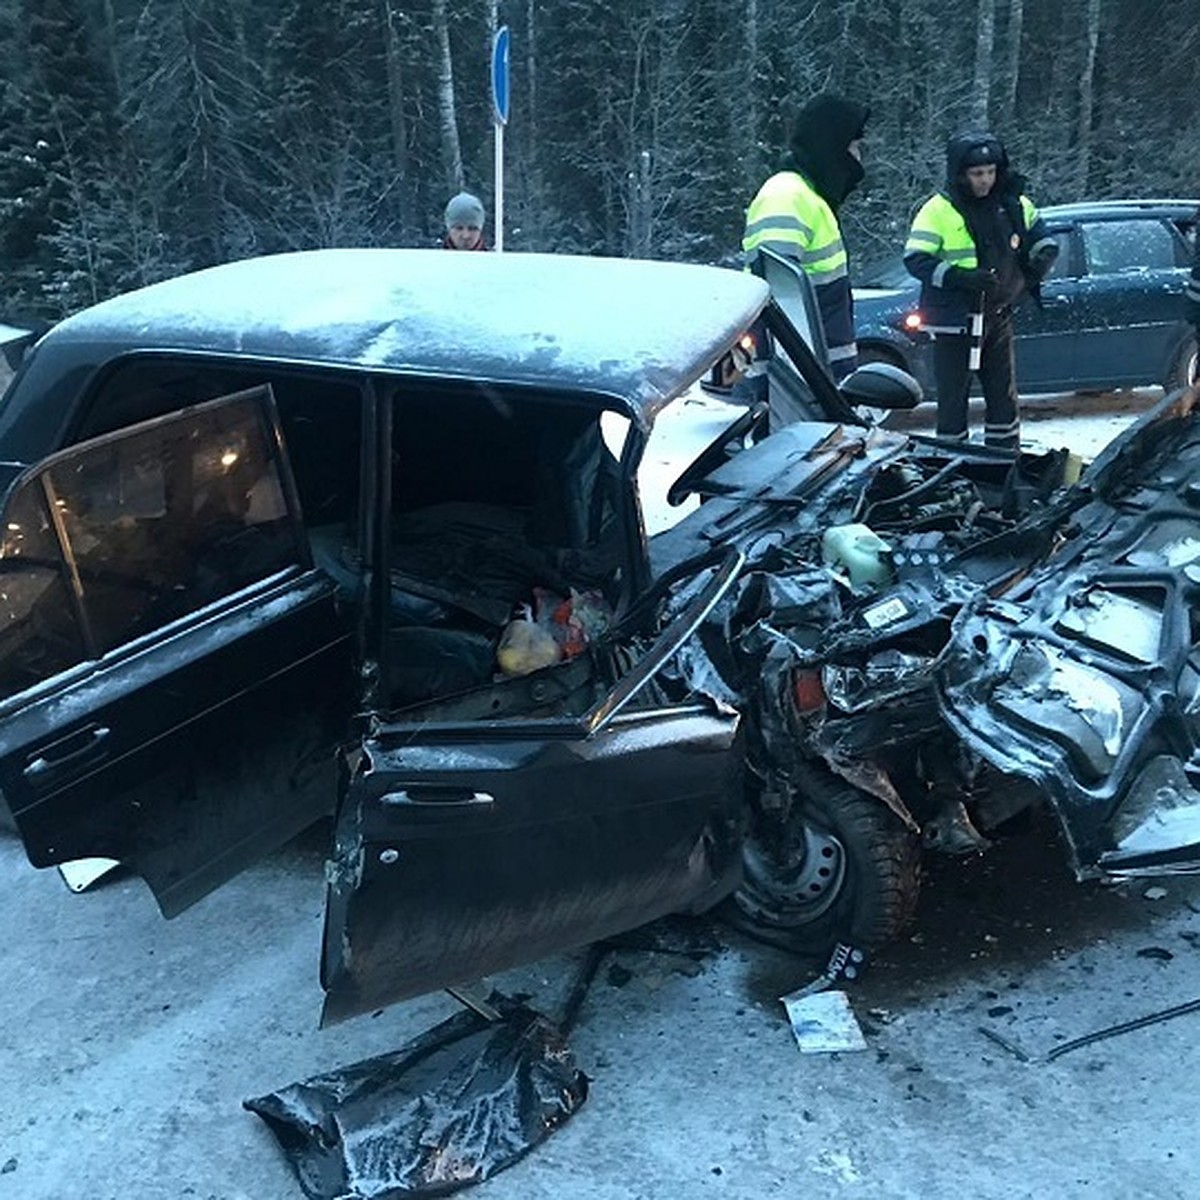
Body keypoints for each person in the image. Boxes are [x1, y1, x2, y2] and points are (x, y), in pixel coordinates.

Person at [904, 131, 1058, 449]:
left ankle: (1004, 457)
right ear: (960, 174)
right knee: (953, 397)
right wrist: (960, 277)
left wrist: (1043, 256)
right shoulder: (939, 210)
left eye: (990, 172)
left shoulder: (1013, 203)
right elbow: (916, 260)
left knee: (1002, 393)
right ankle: (952, 458)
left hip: (998, 314)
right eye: (977, 174)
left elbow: (1042, 236)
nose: (985, 180)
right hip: (954, 319)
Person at [742, 93, 870, 381]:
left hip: (817, 380)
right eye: (855, 147)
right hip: (797, 386)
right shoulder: (786, 197)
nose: (858, 159)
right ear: (832, 147)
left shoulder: (811, 198)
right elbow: (777, 299)